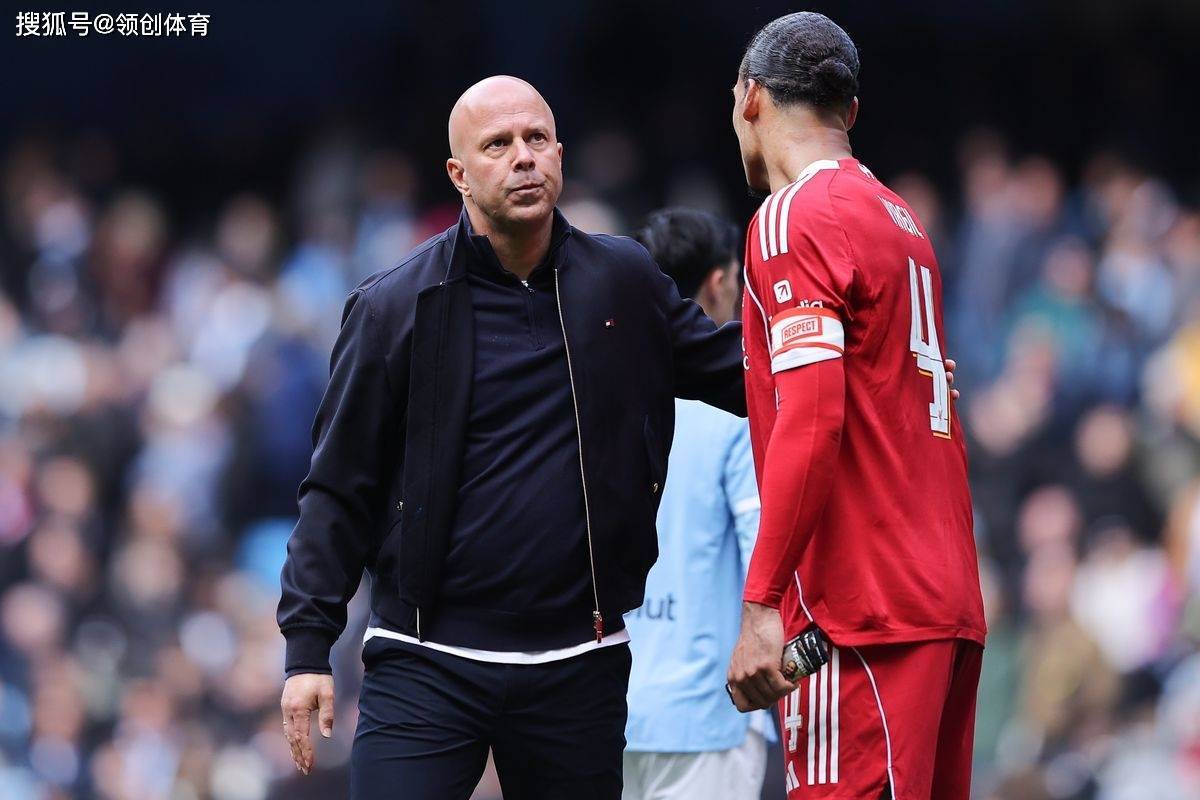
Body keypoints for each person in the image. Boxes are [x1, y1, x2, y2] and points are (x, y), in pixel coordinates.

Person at [275, 75, 747, 800]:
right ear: (458, 175)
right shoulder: (394, 305)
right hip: (424, 659)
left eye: (536, 139)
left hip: (577, 661)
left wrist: (870, 365)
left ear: (560, 154)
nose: (523, 157)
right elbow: (338, 486)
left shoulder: (624, 282)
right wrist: (308, 647)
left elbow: (742, 375)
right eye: (497, 144)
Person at [723, 12, 986, 800]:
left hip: (860, 614)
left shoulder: (792, 217)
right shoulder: (901, 222)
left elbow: (813, 418)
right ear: (852, 112)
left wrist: (763, 603)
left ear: (750, 98)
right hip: (944, 603)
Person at [623, 209, 773, 800]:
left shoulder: (604, 400)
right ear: (717, 283)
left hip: (603, 712)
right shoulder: (739, 411)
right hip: (711, 718)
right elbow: (765, 548)